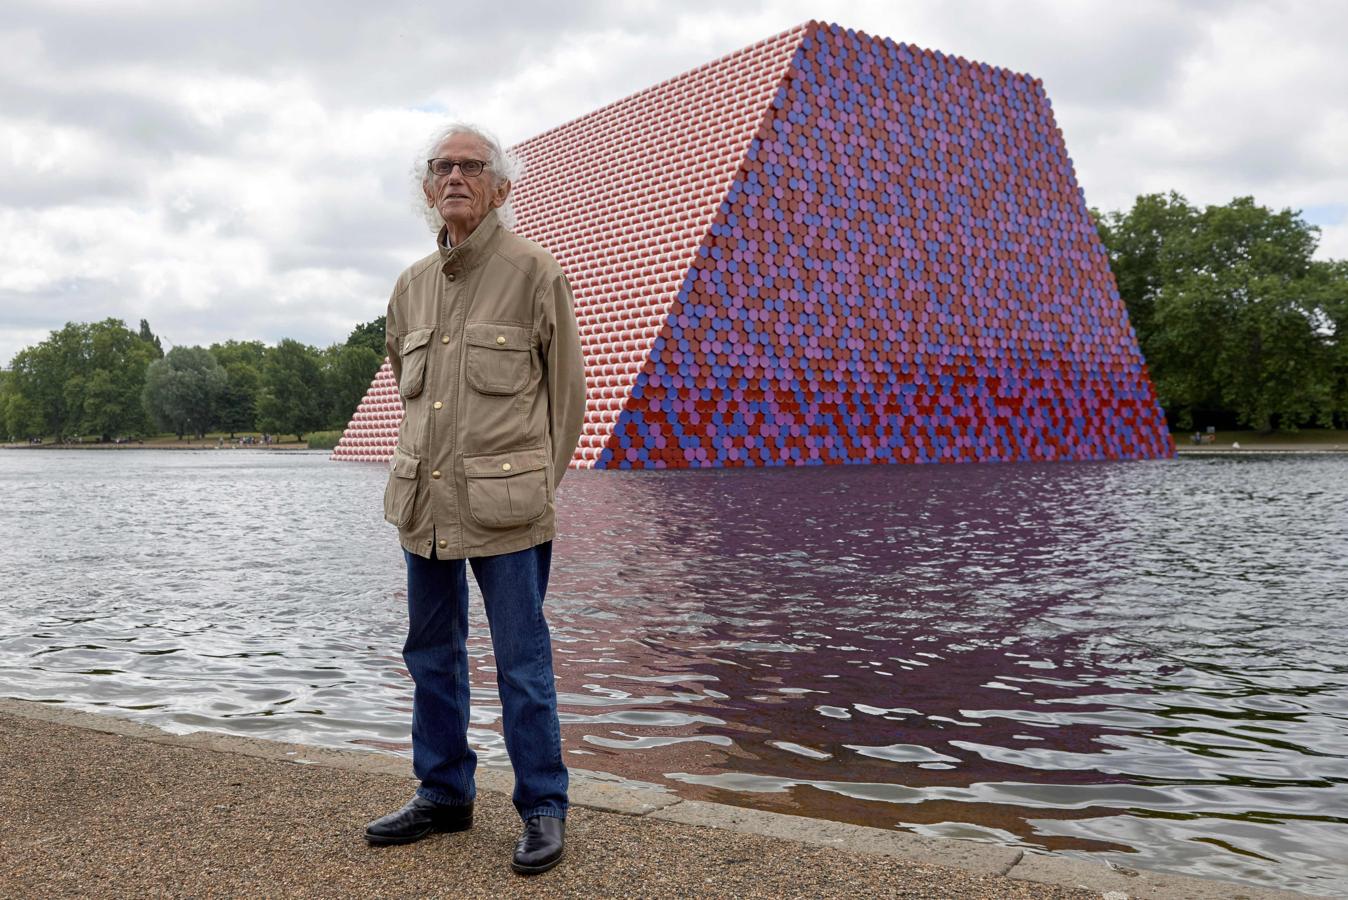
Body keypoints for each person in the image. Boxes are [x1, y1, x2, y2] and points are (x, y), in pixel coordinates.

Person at [363, 123, 586, 877]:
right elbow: (410, 393)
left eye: (473, 165)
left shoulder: (534, 273)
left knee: (523, 664)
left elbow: (567, 404)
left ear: (501, 187)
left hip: (507, 512)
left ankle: (543, 807)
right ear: (428, 190)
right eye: (443, 166)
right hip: (423, 505)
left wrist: (526, 487)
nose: (456, 175)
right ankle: (444, 794)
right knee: (430, 654)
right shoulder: (410, 286)